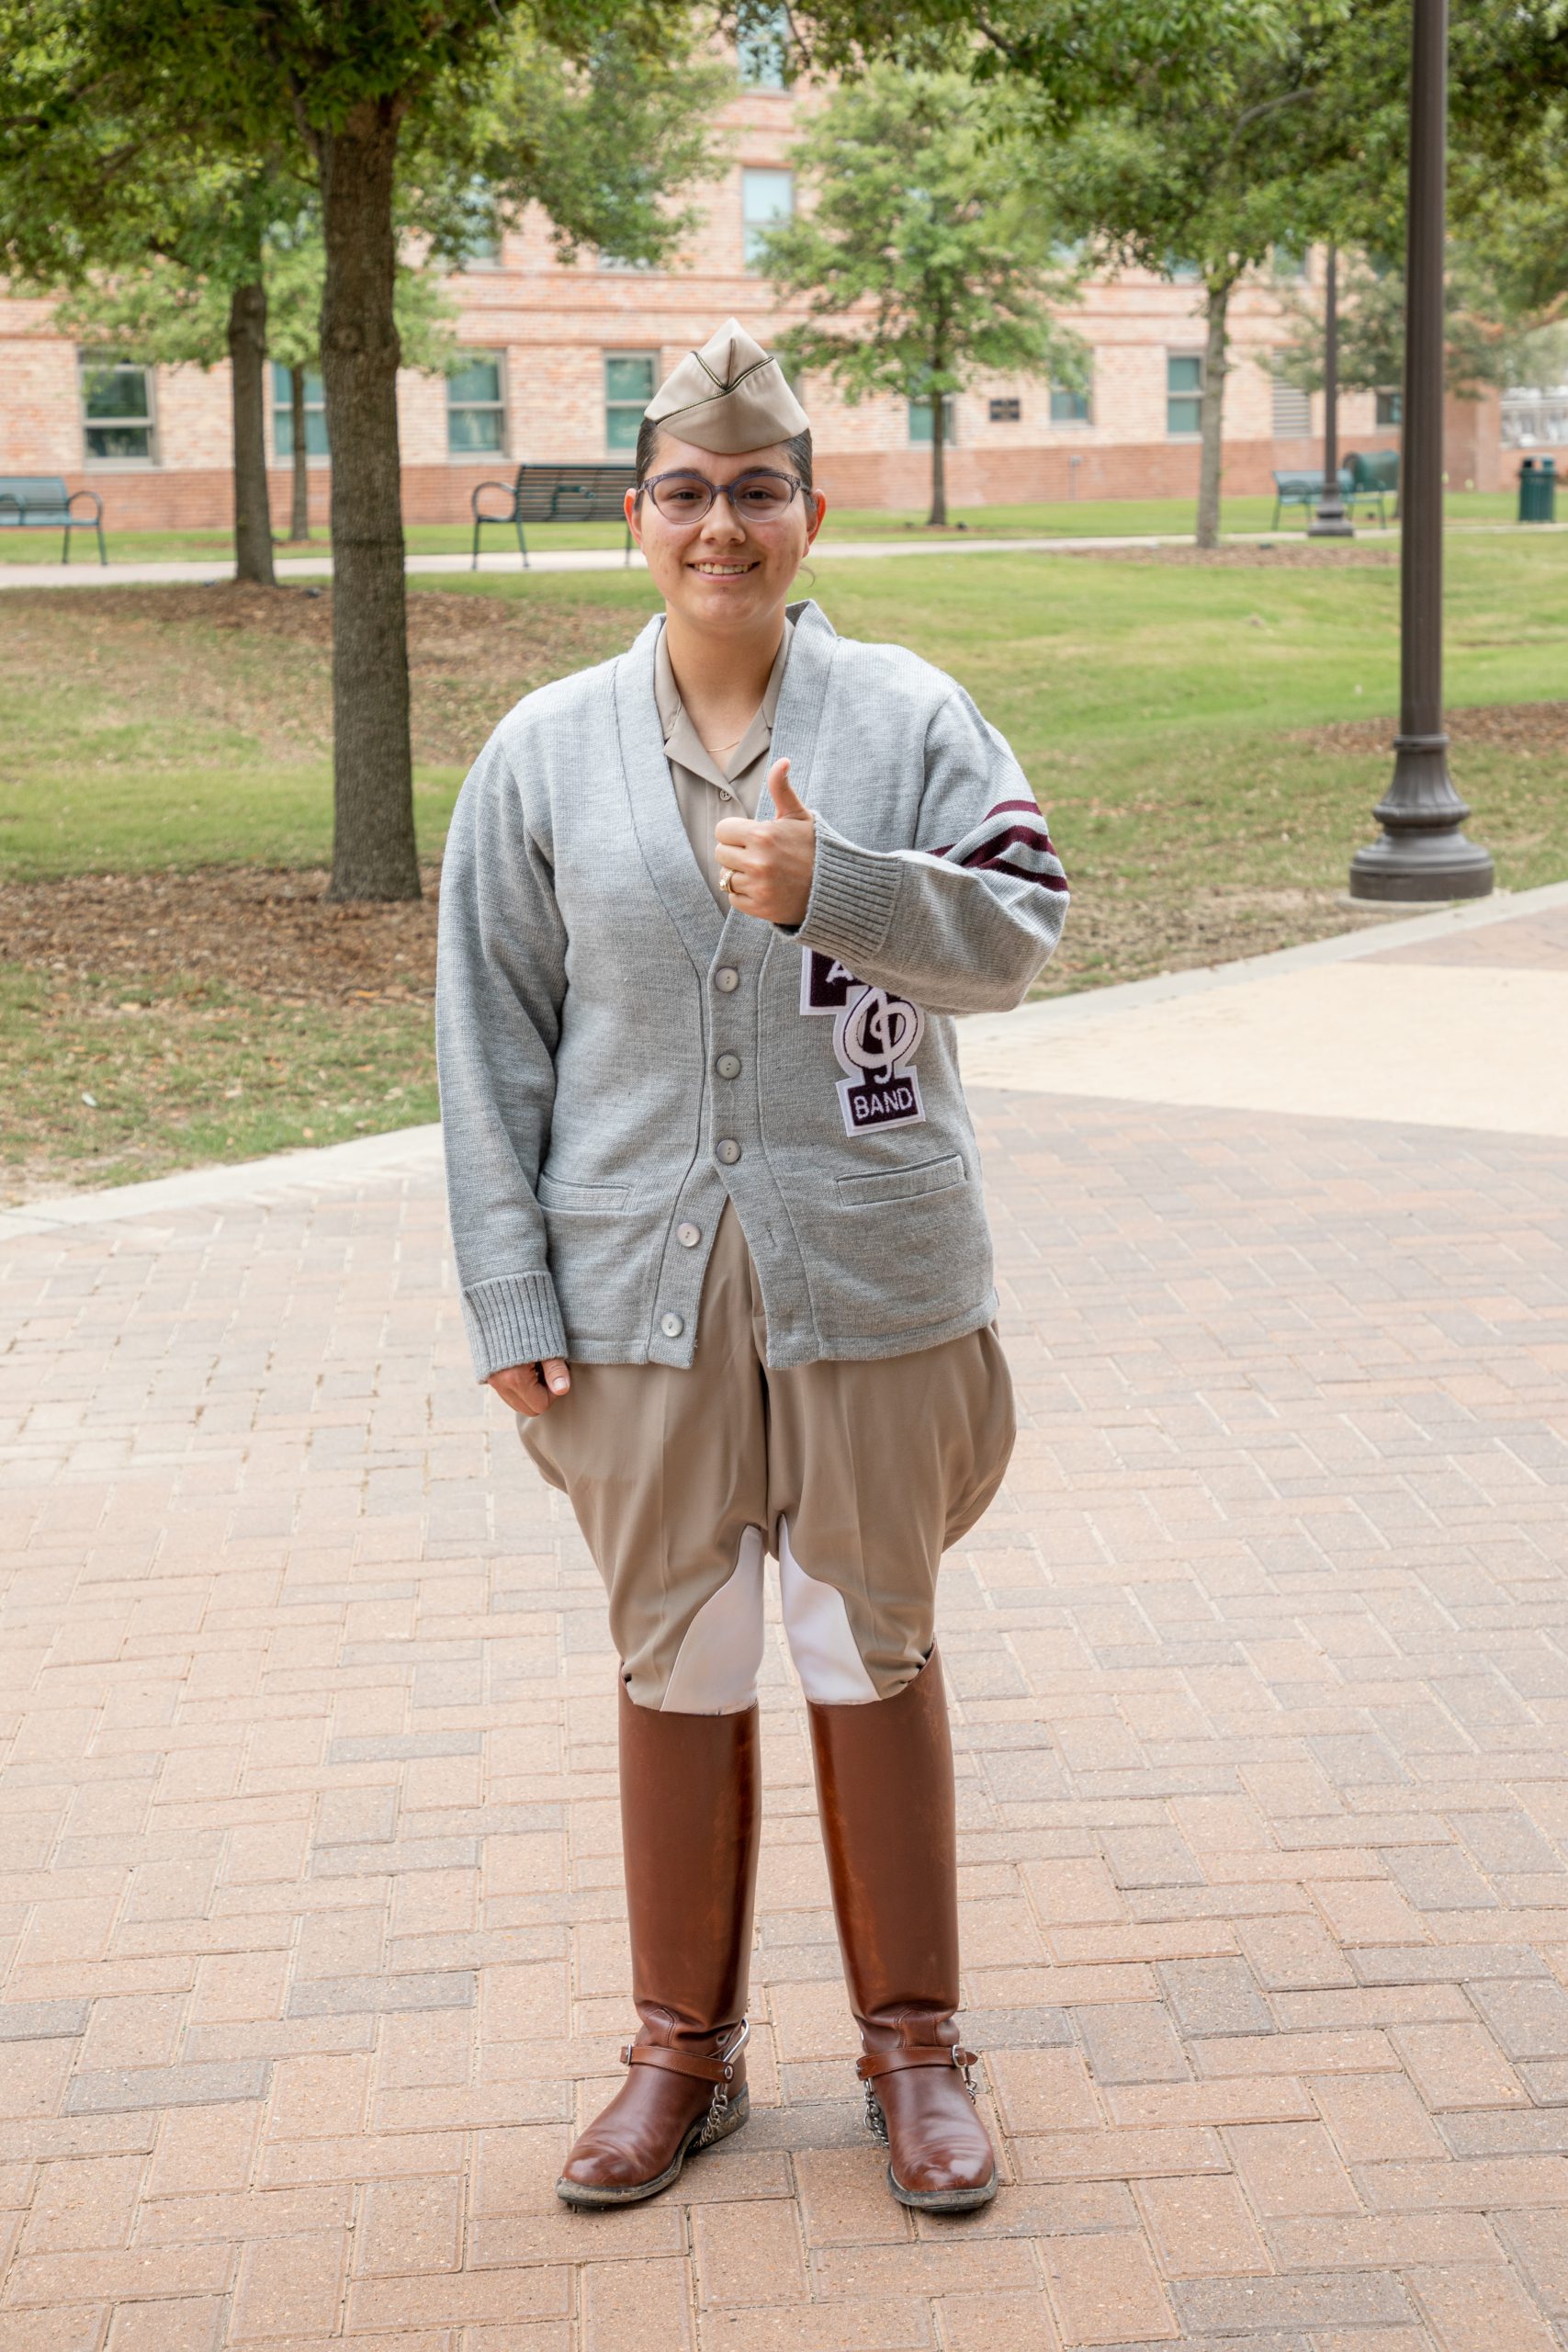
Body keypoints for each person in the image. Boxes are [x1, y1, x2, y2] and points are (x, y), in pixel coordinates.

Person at [436, 320, 1068, 2215]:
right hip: (633, 1282)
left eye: (759, 489)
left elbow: (1020, 931)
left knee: (863, 1624)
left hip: (868, 1263)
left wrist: (837, 889)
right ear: (637, 517)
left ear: (810, 512)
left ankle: (914, 2045)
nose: (724, 524)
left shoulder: (909, 716)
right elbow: (489, 1040)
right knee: (680, 1644)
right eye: (690, 492)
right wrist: (509, 1294)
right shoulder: (539, 751)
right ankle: (678, 2052)